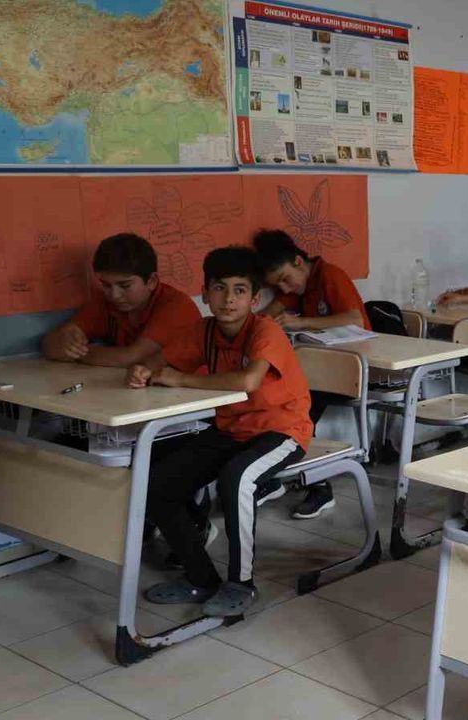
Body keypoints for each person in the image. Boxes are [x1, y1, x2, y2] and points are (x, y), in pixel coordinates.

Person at [129, 246, 311, 617]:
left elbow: (247, 381)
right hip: (231, 430)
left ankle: (241, 584)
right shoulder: (205, 331)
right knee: (156, 485)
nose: (229, 299)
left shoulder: (265, 330)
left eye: (240, 290)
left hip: (282, 431)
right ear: (204, 293)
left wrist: (180, 378)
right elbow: (160, 361)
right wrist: (144, 371)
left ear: (255, 299)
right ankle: (201, 578)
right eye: (219, 288)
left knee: (237, 478)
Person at [254, 229, 369, 520]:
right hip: (322, 369)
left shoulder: (329, 275)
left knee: (299, 409)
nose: (285, 288)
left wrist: (301, 323)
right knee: (275, 400)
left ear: (298, 262)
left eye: (285, 279)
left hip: (351, 370)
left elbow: (355, 319)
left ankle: (319, 486)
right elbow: (267, 315)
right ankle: (274, 477)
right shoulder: (299, 285)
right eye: (277, 285)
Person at [42, 233, 201, 368]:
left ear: (151, 281)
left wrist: (77, 352)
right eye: (106, 285)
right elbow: (51, 344)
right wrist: (65, 341)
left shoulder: (176, 306)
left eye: (125, 286)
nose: (114, 295)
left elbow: (131, 357)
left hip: (193, 391)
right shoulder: (105, 302)